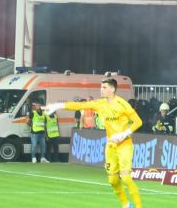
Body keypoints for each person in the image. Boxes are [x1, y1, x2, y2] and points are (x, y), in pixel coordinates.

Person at [47, 77, 145, 208]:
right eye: (101, 87)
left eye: (104, 87)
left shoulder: (122, 104)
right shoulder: (100, 104)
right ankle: (126, 205)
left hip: (124, 145)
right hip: (111, 146)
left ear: (112, 89)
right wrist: (59, 105)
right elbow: (80, 105)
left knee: (126, 178)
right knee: (113, 180)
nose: (101, 89)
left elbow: (138, 121)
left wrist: (123, 134)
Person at [29, 99, 49, 163]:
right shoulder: (33, 112)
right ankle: (33, 158)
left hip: (42, 133)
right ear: (35, 106)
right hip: (34, 133)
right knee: (34, 145)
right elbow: (28, 121)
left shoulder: (43, 113)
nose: (38, 106)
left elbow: (44, 124)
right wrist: (31, 126)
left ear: (41, 106)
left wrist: (46, 134)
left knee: (43, 146)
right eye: (37, 105)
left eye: (39, 105)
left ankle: (42, 158)